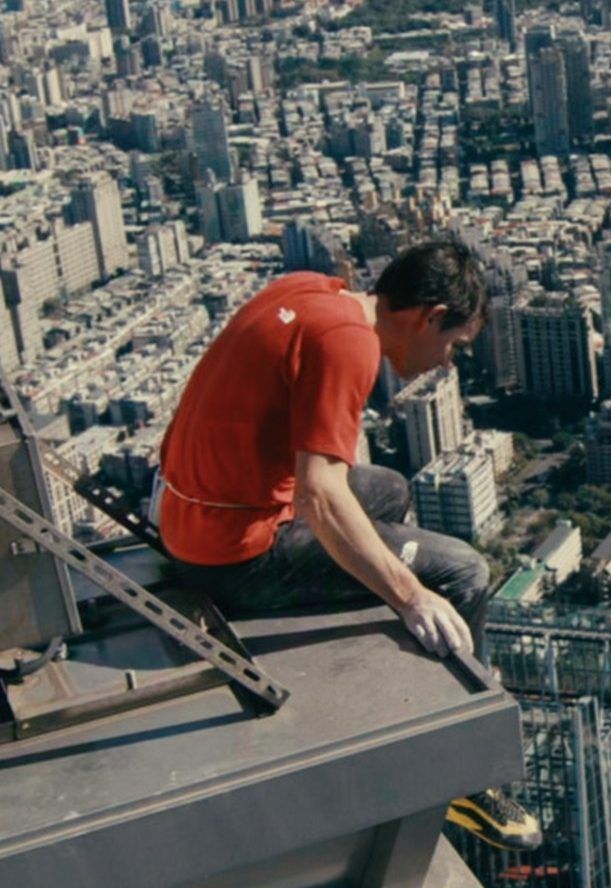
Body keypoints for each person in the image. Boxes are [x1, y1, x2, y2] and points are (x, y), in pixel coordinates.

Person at [157, 240, 540, 852]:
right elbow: (319, 494)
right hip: (236, 553)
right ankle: (464, 766)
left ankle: (409, 659)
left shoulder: (312, 291)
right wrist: (412, 595)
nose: (447, 364)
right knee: (462, 574)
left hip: (191, 515)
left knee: (387, 490)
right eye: (453, 345)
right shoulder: (350, 344)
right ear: (427, 315)